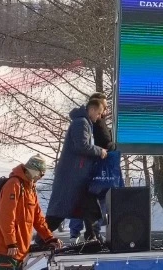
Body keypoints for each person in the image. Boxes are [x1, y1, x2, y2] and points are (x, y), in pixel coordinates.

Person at [46, 98, 108, 242]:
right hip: (72, 177)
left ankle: (92, 236)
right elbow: (82, 146)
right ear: (92, 109)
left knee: (89, 206)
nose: (99, 117)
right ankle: (42, 237)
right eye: (99, 113)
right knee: (60, 211)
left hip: (78, 176)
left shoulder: (84, 123)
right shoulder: (81, 123)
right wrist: (99, 151)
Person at [0, 155, 62, 270]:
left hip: (20, 248)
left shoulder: (30, 187)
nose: (41, 177)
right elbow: (6, 217)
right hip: (7, 249)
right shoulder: (13, 185)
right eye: (41, 174)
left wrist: (49, 238)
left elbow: (37, 217)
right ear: (34, 170)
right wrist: (11, 242)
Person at [69, 92, 116, 243]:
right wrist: (108, 147)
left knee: (87, 200)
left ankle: (85, 233)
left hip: (92, 166)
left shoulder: (91, 121)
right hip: (93, 167)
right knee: (94, 200)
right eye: (103, 108)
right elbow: (93, 144)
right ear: (95, 107)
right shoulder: (88, 122)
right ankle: (88, 233)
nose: (105, 111)